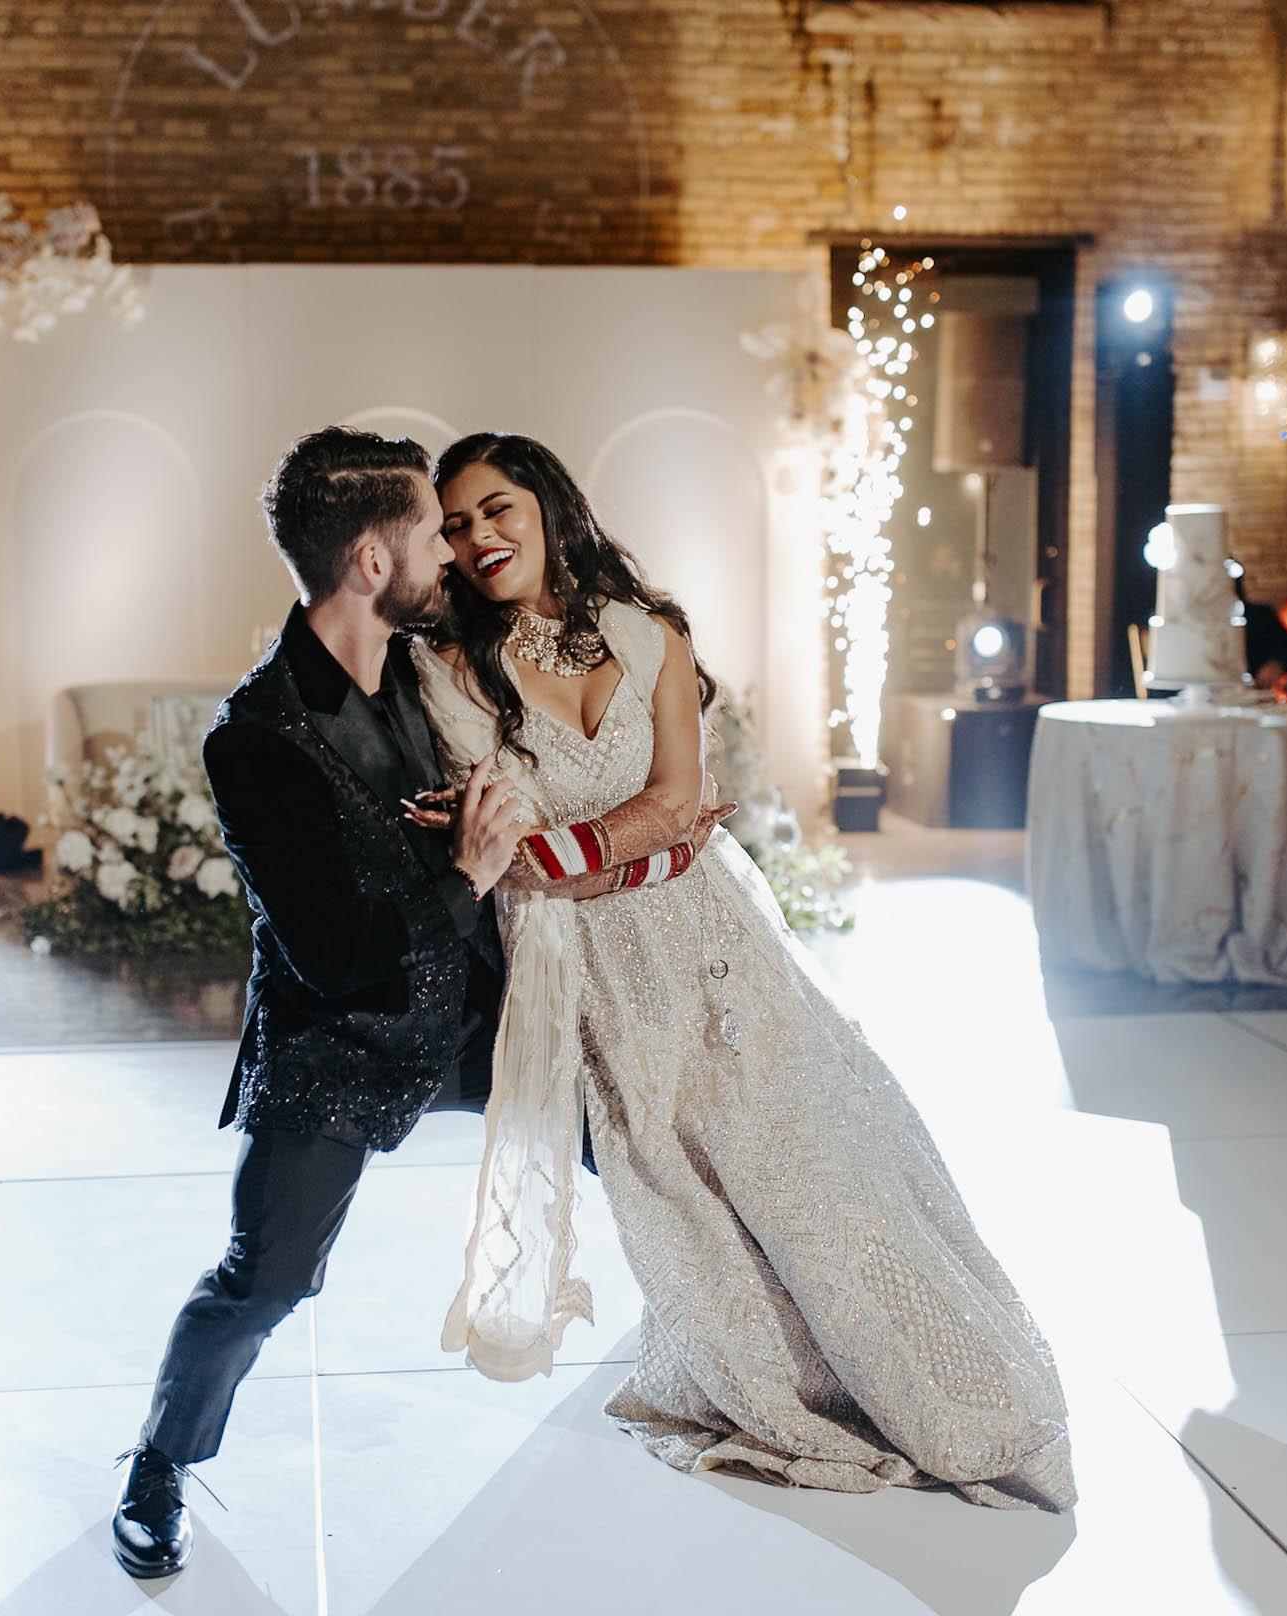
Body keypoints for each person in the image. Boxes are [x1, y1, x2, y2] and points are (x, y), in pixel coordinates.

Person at [407, 433, 1075, 1509]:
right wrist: (642, 846)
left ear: (548, 507)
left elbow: (677, 799)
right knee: (680, 1182)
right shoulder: (446, 670)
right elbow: (515, 852)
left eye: (496, 508)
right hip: (592, 967)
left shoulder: (650, 632)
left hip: (715, 935)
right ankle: (776, 1381)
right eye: (454, 525)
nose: (478, 535)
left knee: (814, 1150)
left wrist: (618, 843)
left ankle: (943, 1384)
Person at [109, 428, 726, 1581]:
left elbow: (578, 689)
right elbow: (334, 954)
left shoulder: (426, 655)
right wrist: (470, 871)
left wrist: (666, 808)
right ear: (369, 561)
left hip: (488, 1004)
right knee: (268, 1273)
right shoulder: (255, 738)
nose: (452, 550)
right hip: (342, 1038)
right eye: (429, 534)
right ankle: (159, 1459)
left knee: (652, 1143)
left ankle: (744, 1360)